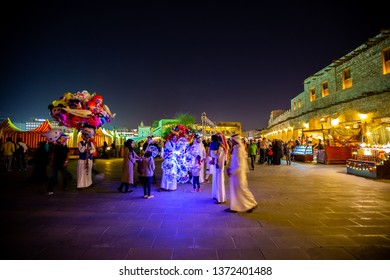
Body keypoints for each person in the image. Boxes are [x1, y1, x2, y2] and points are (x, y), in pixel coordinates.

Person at [226, 134, 257, 213]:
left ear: (235, 140)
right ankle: (235, 207)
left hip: (238, 175)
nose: (231, 142)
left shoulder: (239, 149)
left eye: (232, 140)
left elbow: (240, 165)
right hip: (236, 174)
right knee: (236, 190)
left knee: (243, 189)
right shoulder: (237, 149)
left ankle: (252, 204)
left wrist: (232, 172)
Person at [46, 129, 71, 195]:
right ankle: (50, 189)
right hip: (55, 163)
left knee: (64, 175)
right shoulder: (55, 146)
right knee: (53, 176)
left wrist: (66, 161)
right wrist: (51, 161)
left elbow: (68, 154)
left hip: (62, 162)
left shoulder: (65, 147)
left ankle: (65, 186)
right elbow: (53, 154)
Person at [209, 134, 228, 204]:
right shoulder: (220, 145)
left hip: (218, 166)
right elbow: (219, 154)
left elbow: (217, 155)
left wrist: (214, 160)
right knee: (217, 179)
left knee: (218, 180)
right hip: (217, 165)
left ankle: (220, 197)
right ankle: (217, 195)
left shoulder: (215, 145)